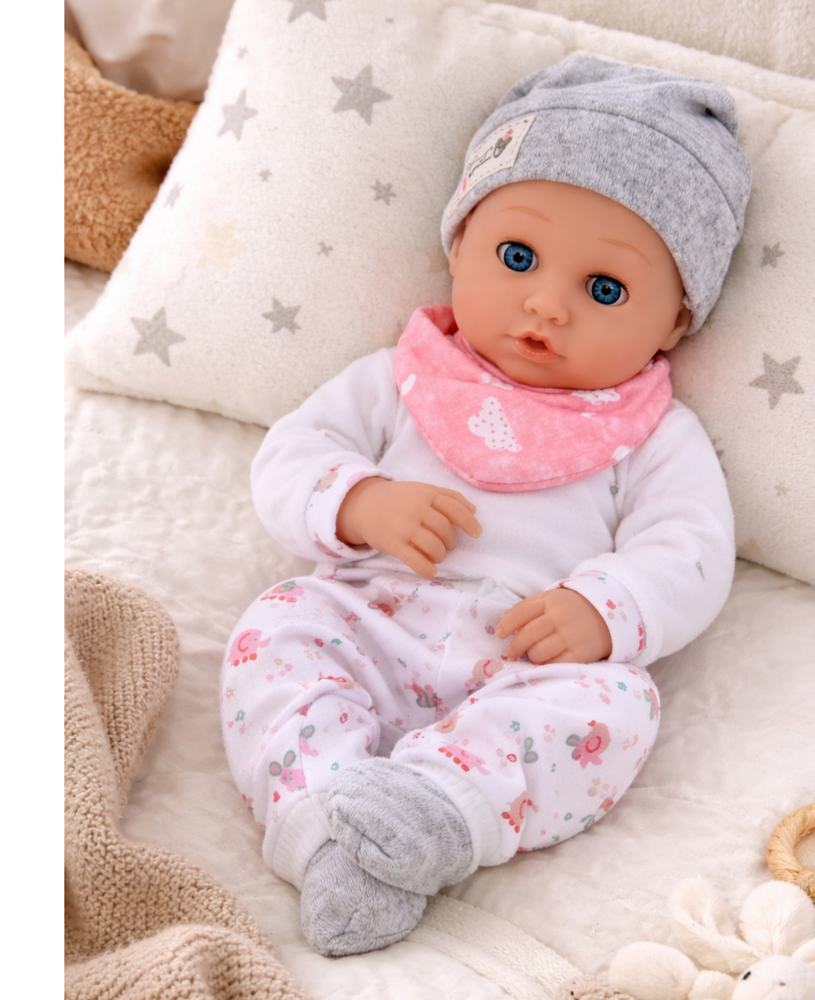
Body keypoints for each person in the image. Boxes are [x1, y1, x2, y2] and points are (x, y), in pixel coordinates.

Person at [220, 53, 752, 956]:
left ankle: (434, 811)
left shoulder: (655, 435)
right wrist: (360, 502)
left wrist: (603, 606)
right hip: (370, 617)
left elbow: (692, 547)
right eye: (516, 258)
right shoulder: (401, 379)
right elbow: (292, 454)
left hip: (524, 660)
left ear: (675, 323)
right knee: (279, 624)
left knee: (620, 704)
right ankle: (321, 820)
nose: (546, 306)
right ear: (458, 245)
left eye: (606, 290)